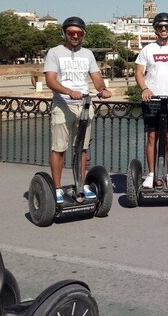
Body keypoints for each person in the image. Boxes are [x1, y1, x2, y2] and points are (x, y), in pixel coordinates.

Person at [43, 16, 111, 204]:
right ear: (64, 33)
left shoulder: (88, 54)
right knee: (59, 148)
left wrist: (102, 89)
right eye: (71, 32)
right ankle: (57, 189)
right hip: (63, 105)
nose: (75, 36)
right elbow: (50, 80)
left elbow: (96, 77)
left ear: (83, 35)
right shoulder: (54, 53)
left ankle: (80, 184)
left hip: (84, 106)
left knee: (82, 148)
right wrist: (68, 91)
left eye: (79, 33)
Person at [134, 12, 168, 189]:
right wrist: (144, 88)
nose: (163, 29)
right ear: (156, 29)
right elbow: (138, 73)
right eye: (160, 27)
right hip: (152, 98)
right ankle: (151, 174)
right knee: (152, 136)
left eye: (166, 26)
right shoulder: (147, 50)